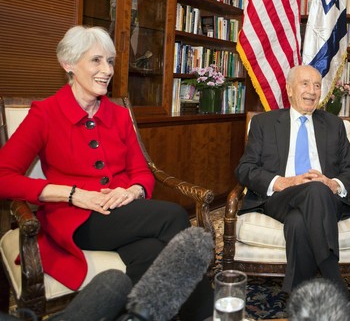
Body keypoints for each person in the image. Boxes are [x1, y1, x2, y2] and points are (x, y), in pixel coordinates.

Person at [0, 26, 212, 321]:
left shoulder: (119, 114)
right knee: (175, 217)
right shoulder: (45, 114)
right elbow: (3, 176)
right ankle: (204, 316)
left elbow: (142, 172)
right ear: (69, 65)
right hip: (76, 220)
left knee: (150, 252)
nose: (107, 70)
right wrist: (72, 194)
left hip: (123, 212)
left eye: (110, 61)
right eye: (96, 60)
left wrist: (133, 190)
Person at [235, 65, 350, 296]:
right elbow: (245, 169)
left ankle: (297, 298)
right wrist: (282, 182)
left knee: (299, 220)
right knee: (312, 192)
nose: (312, 91)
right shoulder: (265, 123)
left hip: (327, 197)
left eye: (316, 85)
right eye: (305, 84)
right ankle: (334, 281)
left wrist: (333, 184)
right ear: (290, 90)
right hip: (281, 197)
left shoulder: (334, 125)